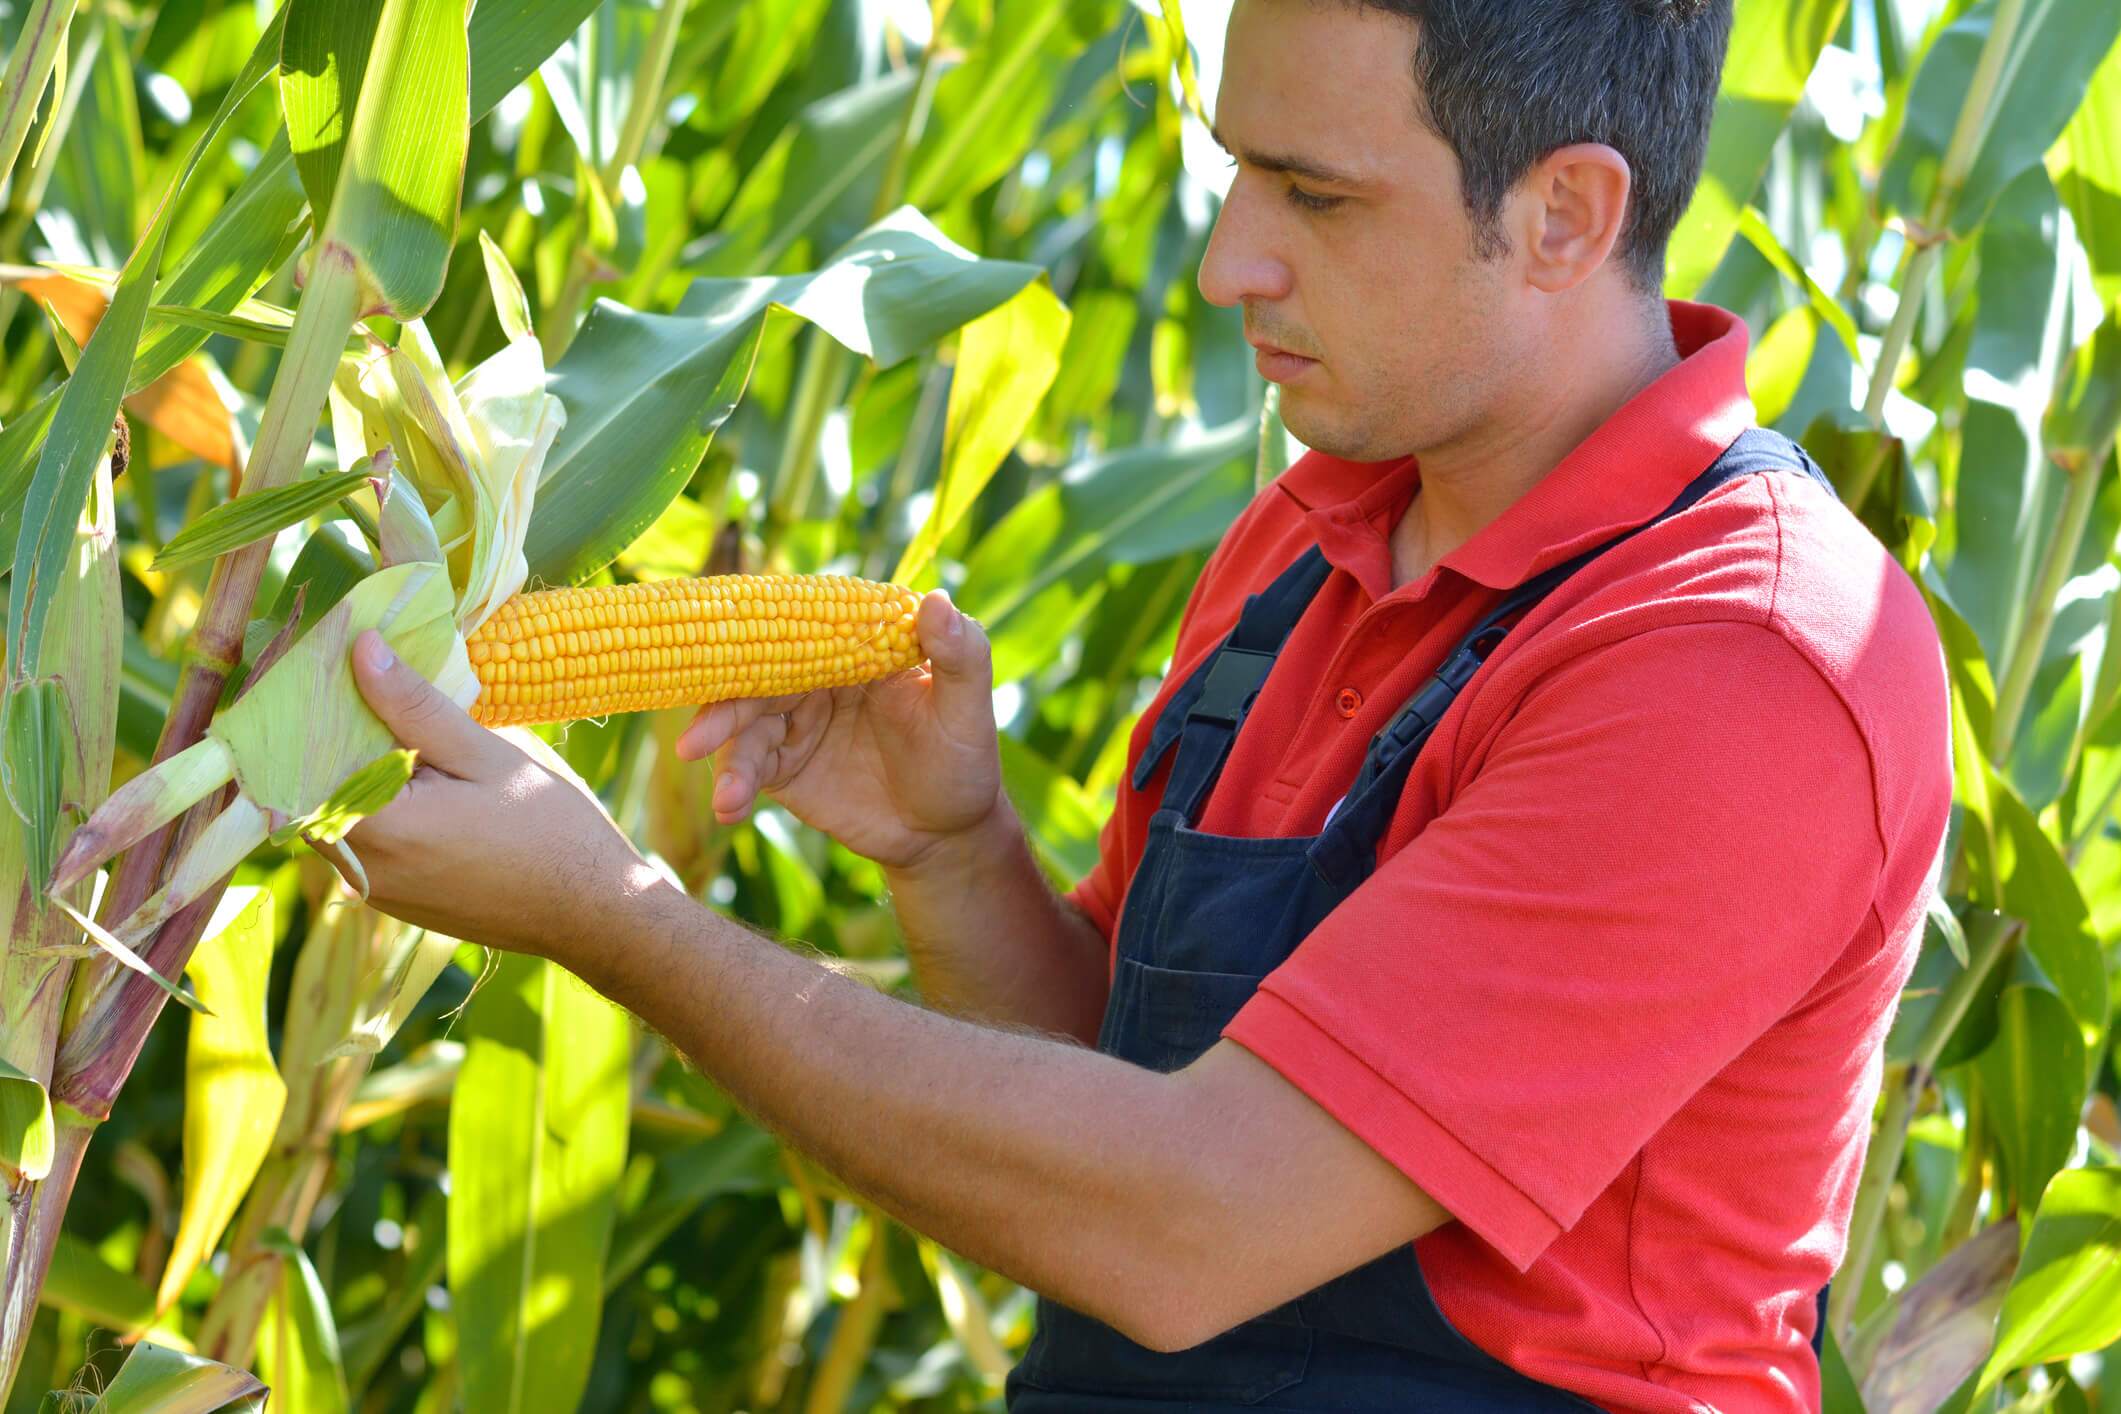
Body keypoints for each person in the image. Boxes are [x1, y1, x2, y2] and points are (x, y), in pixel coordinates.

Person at [335, 0, 1953, 1407]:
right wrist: (952, 849)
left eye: (1313, 194)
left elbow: (1188, 1225)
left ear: (1563, 216)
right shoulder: (1297, 548)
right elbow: (1112, 1095)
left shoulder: (1739, 665)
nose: (1224, 256)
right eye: (1236, 166)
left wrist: (615, 913)